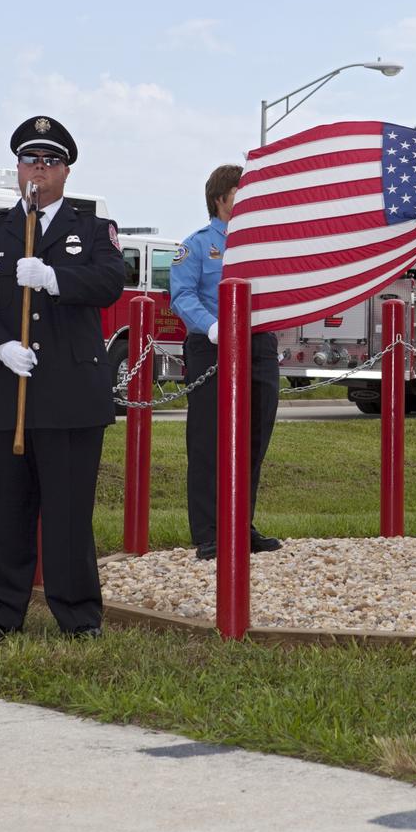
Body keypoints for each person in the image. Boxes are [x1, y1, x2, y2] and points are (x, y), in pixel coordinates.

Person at [0, 116, 124, 644]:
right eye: (30, 161)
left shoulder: (91, 229)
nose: (38, 171)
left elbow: (110, 281)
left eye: (50, 162)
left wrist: (54, 278)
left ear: (66, 171)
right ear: (18, 169)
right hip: (3, 391)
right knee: (0, 514)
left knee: (69, 513)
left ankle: (79, 617)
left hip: (69, 395)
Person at [170, 164, 282, 561]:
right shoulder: (197, 245)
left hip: (258, 346)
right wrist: (212, 326)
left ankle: (241, 523)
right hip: (212, 346)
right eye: (240, 190)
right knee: (208, 442)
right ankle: (208, 531)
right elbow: (182, 296)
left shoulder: (262, 244)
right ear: (221, 198)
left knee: (255, 438)